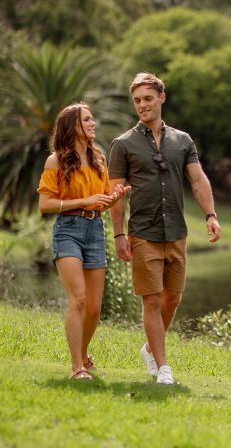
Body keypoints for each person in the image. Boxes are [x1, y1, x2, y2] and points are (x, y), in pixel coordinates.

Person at [108, 72, 221, 385]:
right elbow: (115, 196)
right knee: (152, 300)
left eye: (147, 98)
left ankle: (149, 348)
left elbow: (197, 180)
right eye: (137, 101)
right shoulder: (123, 144)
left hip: (177, 232)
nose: (142, 105)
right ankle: (162, 367)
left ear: (161, 98)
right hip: (143, 232)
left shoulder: (182, 141)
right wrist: (118, 235)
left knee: (173, 299)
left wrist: (210, 214)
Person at [37, 103, 130, 380]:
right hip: (67, 230)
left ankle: (84, 353)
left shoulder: (99, 159)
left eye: (92, 119)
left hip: (95, 231)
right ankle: (76, 366)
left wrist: (112, 198)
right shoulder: (55, 161)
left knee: (94, 307)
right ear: (72, 126)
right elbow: (45, 204)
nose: (93, 124)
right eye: (87, 120)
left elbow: (99, 202)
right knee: (78, 299)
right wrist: (84, 201)